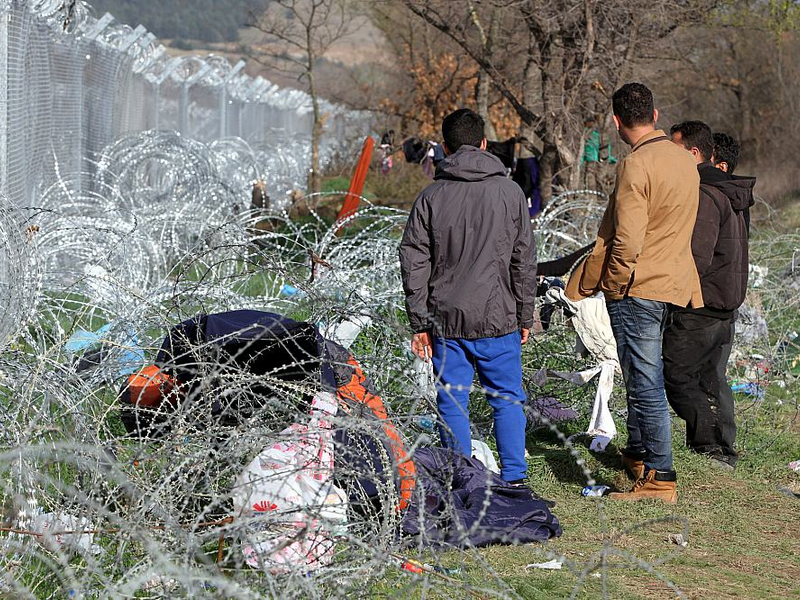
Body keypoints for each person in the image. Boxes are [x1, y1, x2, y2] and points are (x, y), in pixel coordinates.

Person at [565, 83, 702, 503]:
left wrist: (614, 283)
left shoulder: (636, 164)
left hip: (637, 286)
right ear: (655, 115)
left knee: (645, 383)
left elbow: (626, 239)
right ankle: (640, 454)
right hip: (674, 283)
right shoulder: (685, 161)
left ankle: (660, 478)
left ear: (616, 121)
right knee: (643, 374)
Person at [399, 108, 537, 484]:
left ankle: (461, 479)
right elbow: (523, 259)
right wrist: (526, 314)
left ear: (445, 148)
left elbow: (414, 261)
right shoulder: (510, 193)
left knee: (452, 401)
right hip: (499, 316)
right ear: (484, 144)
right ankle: (514, 478)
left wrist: (420, 322)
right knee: (506, 399)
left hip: (446, 320)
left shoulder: (431, 197)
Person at [665, 122, 755, 470]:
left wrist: (669, 291)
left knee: (676, 374)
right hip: (725, 302)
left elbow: (696, 257)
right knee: (711, 379)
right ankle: (722, 450)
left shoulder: (706, 195)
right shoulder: (733, 194)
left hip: (700, 303)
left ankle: (709, 447)